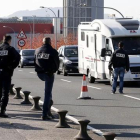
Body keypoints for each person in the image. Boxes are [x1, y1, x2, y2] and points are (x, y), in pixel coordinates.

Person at [35, 37, 59, 120]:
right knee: (47, 93)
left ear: (43, 42)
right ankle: (45, 114)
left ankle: (48, 111)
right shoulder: (53, 51)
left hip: (39, 73)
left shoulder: (37, 50)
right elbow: (57, 63)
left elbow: (35, 60)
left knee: (49, 94)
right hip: (48, 73)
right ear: (50, 42)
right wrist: (54, 70)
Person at [0, 35, 20, 117]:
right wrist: (12, 66)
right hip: (6, 73)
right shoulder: (10, 49)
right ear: (9, 40)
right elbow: (18, 57)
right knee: (5, 92)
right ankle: (2, 111)